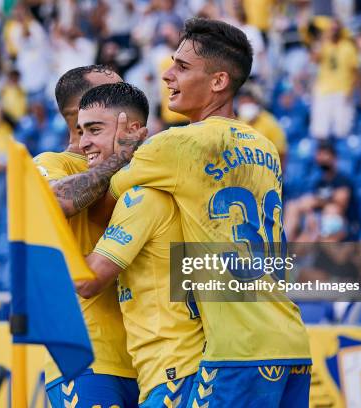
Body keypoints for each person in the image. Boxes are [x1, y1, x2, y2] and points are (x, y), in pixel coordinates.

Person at [49, 18, 311, 407]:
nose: (167, 75)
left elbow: (82, 204)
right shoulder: (265, 145)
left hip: (239, 347)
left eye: (182, 67)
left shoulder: (174, 145)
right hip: (291, 339)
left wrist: (118, 155)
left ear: (219, 81)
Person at [74, 82, 204, 406]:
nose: (83, 142)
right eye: (80, 131)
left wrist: (45, 253)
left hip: (175, 369)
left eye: (94, 129)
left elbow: (89, 281)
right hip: (169, 369)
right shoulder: (151, 188)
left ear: (132, 130)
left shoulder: (141, 197)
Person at [33, 66, 139, 407]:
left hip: (148, 359)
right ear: (79, 112)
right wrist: (116, 161)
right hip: (86, 357)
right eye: (115, 93)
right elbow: (56, 202)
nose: (128, 100)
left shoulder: (137, 168)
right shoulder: (52, 163)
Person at [284, 141, 355, 240]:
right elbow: (311, 204)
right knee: (292, 206)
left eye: (325, 154)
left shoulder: (342, 179)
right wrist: (310, 214)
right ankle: (284, 242)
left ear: (334, 158)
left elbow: (341, 202)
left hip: (339, 221)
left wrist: (316, 200)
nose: (322, 158)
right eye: (319, 154)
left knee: (331, 209)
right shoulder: (319, 182)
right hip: (317, 220)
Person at [309, 19, 359, 139]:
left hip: (342, 91)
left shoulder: (348, 47)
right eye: (332, 29)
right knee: (320, 131)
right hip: (323, 91)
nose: (334, 32)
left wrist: (351, 90)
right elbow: (314, 59)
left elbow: (355, 71)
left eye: (336, 29)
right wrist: (322, 39)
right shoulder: (324, 44)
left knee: (342, 130)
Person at [237, 84, 288, 163]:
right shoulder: (238, 121)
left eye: (248, 101)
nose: (245, 105)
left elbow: (281, 152)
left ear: (256, 102)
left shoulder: (270, 123)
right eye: (242, 101)